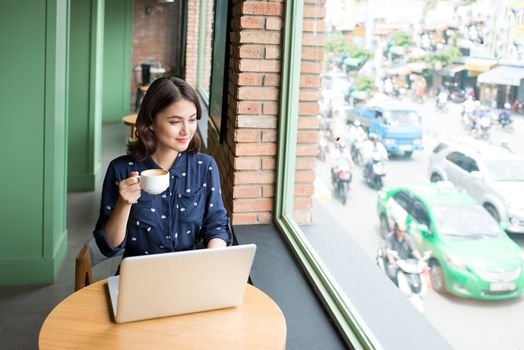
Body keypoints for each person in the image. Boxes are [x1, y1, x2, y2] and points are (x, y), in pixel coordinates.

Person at [93, 77, 230, 259]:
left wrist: (212, 258)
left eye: (191, 120)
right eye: (175, 122)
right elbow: (109, 246)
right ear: (150, 123)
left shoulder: (205, 167)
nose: (186, 130)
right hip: (139, 275)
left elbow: (216, 225)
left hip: (189, 272)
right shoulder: (121, 169)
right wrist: (123, 203)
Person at [385, 220, 424, 285]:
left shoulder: (407, 238)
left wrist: (421, 259)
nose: (402, 233)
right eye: (400, 231)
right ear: (396, 230)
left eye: (403, 231)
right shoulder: (390, 237)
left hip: (405, 262)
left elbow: (414, 250)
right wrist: (393, 262)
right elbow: (388, 252)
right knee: (392, 275)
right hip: (395, 263)